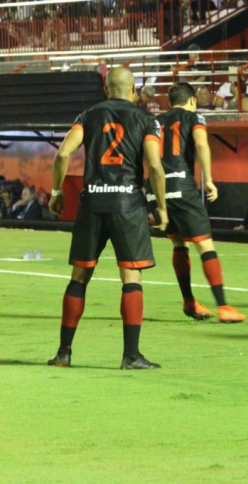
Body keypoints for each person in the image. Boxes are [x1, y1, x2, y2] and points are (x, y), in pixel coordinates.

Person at [46, 66, 168, 370]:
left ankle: (63, 353)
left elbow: (62, 154)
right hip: (128, 204)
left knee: (79, 277)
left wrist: (56, 192)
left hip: (92, 204)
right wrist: (162, 208)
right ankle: (131, 356)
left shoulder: (88, 115)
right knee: (131, 276)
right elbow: (154, 166)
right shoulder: (147, 119)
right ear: (134, 90)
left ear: (105, 89)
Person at [156, 83, 247, 323]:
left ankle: (189, 301)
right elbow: (201, 144)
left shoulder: (156, 120)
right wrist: (209, 180)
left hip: (157, 188)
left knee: (178, 244)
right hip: (182, 186)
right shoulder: (195, 116)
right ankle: (224, 307)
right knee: (205, 245)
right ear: (193, 100)